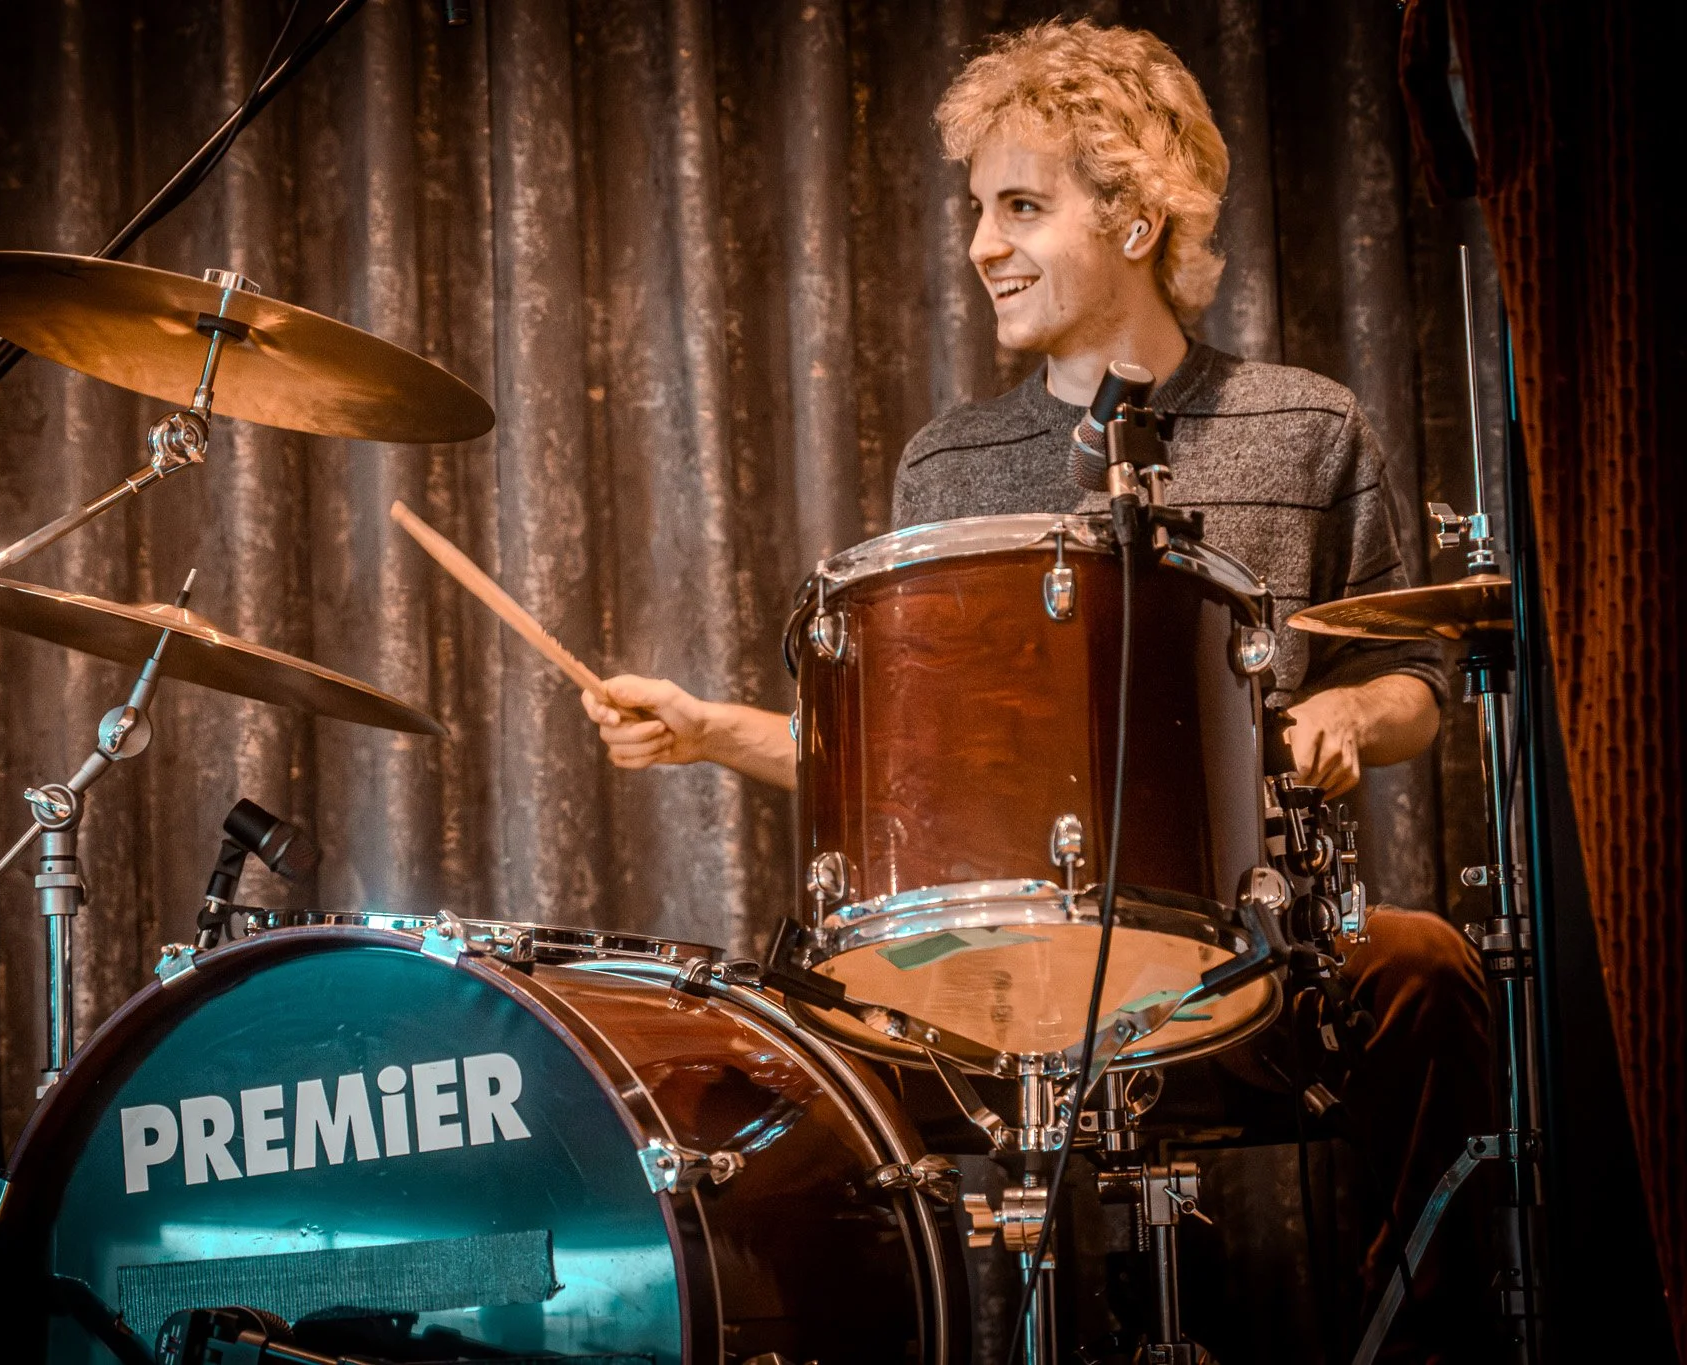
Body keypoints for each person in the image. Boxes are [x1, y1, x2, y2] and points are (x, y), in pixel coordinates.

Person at [581, 20, 1493, 1363]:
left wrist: (1347, 716)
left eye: (1021, 207)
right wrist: (713, 731)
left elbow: (1413, 673)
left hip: (1253, 950)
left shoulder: (1305, 427)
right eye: (976, 211)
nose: (982, 247)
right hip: (994, 974)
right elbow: (895, 772)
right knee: (761, 1084)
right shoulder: (950, 466)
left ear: (1135, 216)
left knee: (1430, 972)